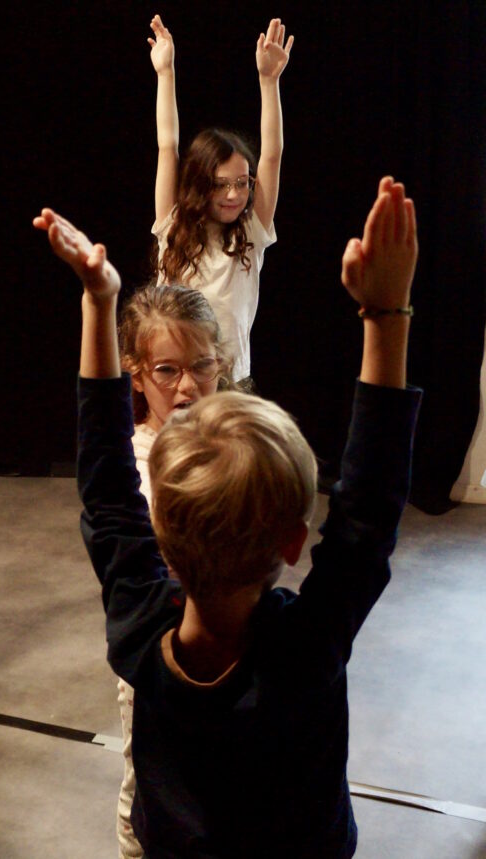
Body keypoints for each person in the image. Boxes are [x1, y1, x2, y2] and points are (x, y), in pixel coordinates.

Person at [34, 175, 420, 856]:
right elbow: (366, 518)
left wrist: (100, 300)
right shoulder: (307, 651)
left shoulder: (139, 636)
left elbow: (107, 492)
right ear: (295, 540)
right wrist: (386, 314)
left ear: (166, 544)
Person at [113, 282, 232, 858]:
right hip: (161, 653)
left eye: (202, 366)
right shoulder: (139, 460)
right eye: (167, 370)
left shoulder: (236, 438)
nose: (187, 386)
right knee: (150, 786)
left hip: (232, 647)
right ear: (136, 374)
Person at [149, 14, 293, 388]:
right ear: (199, 184)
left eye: (242, 183)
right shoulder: (173, 224)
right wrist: (165, 73)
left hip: (232, 383)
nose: (233, 194)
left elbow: (272, 156)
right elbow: (168, 146)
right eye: (219, 184)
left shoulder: (250, 231)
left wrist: (269, 81)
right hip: (177, 381)